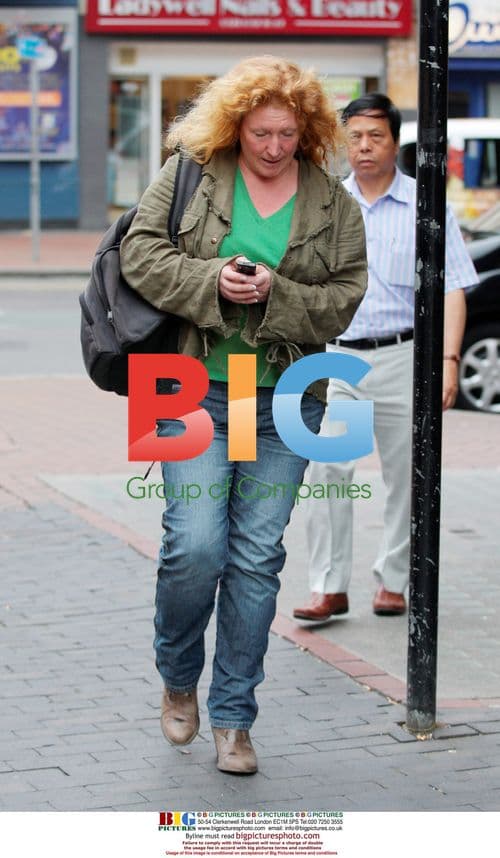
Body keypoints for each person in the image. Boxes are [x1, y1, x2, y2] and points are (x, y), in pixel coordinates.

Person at [120, 56, 367, 775]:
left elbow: (347, 292)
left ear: (308, 131)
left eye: (288, 133)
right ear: (236, 125)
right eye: (260, 132)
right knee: (193, 548)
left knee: (257, 560)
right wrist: (212, 281)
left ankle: (233, 718)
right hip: (184, 385)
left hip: (286, 394)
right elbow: (140, 251)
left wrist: (276, 295)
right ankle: (175, 675)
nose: (273, 147)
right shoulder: (193, 171)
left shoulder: (330, 200)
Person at [294, 93, 478, 623]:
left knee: (407, 475)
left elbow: (454, 288)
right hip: (340, 361)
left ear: (395, 142)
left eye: (375, 136)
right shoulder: (327, 206)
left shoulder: (426, 205)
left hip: (404, 357)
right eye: (354, 136)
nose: (364, 146)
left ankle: (394, 580)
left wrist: (447, 360)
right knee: (330, 468)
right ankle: (329, 586)